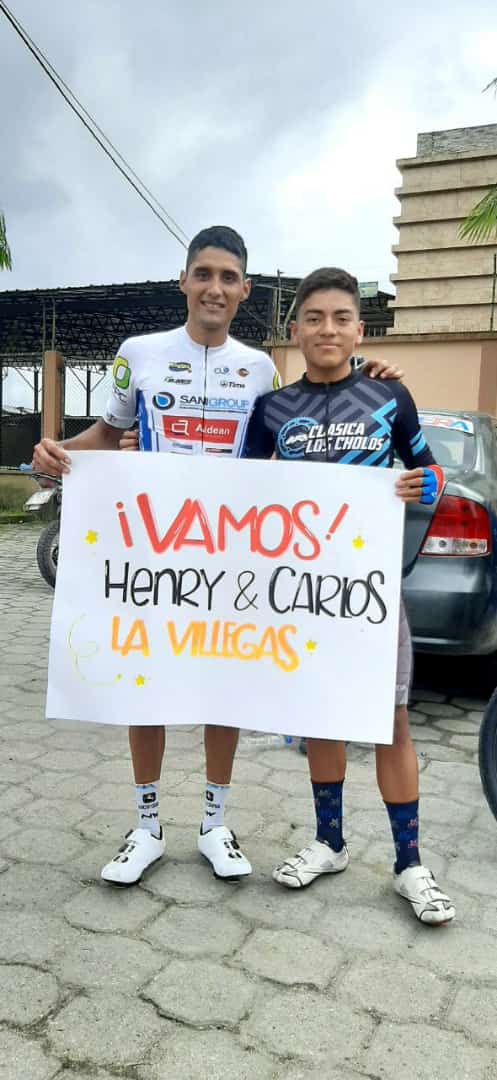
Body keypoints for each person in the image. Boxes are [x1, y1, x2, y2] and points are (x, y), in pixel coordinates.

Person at [32, 232, 403, 889]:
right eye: (203, 274)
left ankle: (214, 824)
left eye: (228, 277)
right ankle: (146, 827)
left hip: (230, 552)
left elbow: (291, 443)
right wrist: (55, 451)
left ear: (244, 290)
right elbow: (107, 435)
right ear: (183, 281)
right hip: (151, 547)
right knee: (142, 679)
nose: (214, 287)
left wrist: (370, 377)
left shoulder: (259, 368)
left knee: (222, 682)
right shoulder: (138, 353)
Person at [242, 266, 455, 925]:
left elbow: (430, 471)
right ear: (295, 330)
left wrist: (423, 486)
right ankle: (329, 843)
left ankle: (409, 865)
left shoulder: (390, 396)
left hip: (371, 592)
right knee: (321, 716)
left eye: (340, 318)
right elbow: (237, 493)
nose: (327, 329)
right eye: (314, 318)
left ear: (359, 330)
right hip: (303, 593)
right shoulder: (272, 409)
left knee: (390, 721)